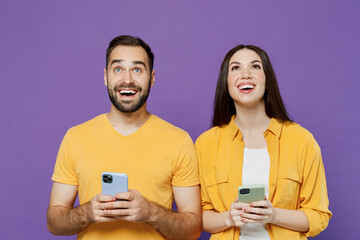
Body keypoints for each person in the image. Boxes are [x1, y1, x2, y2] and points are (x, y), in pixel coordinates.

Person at [46, 35, 201, 240]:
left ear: (152, 78)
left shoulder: (179, 141)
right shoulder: (75, 138)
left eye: (137, 69)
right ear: (105, 77)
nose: (127, 79)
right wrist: (88, 213)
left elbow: (193, 230)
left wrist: (150, 213)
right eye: (118, 69)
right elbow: (54, 222)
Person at [195, 44, 331, 240]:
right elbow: (199, 217)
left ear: (267, 81)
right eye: (235, 68)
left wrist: (273, 214)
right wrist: (229, 218)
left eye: (255, 67)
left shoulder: (302, 140)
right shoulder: (205, 144)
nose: (245, 75)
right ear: (226, 83)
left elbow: (319, 216)